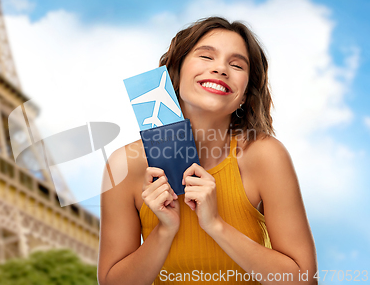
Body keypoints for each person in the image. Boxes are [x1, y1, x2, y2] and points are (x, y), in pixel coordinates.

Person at [97, 16, 317, 285]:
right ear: (174, 75)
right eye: (206, 57)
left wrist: (215, 225)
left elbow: (304, 280)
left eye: (236, 65)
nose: (221, 69)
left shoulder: (265, 156)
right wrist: (164, 231)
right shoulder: (124, 165)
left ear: (245, 94)